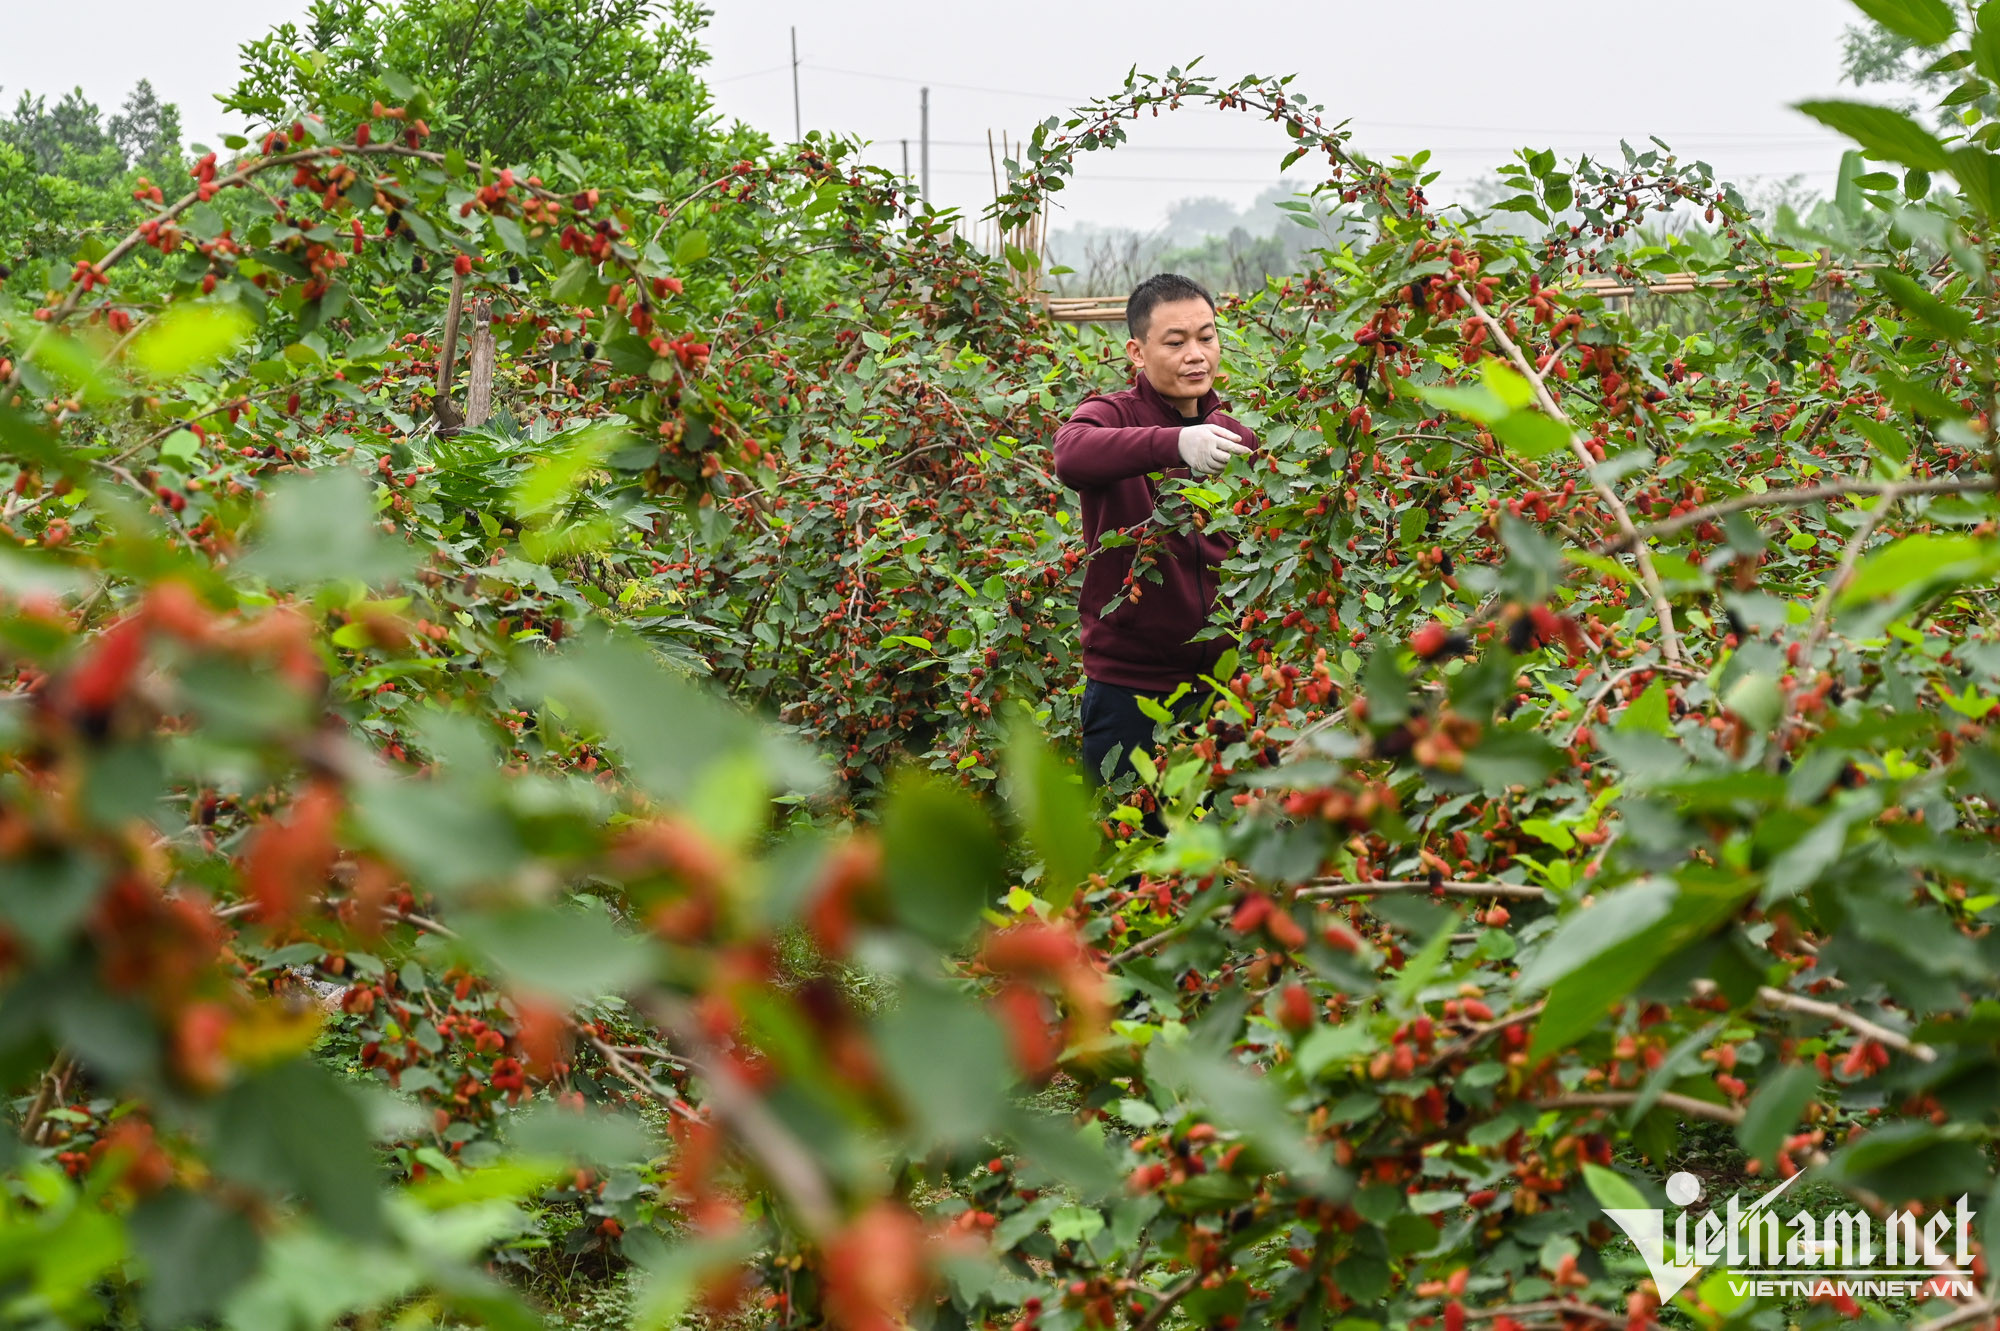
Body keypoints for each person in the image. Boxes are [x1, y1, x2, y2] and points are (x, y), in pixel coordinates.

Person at [1052, 273, 1260, 824]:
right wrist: (1175, 442)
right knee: (1130, 851)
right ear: (1137, 352)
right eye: (1175, 341)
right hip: (1130, 689)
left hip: (1224, 688)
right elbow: (1071, 454)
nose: (1196, 354)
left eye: (1206, 337)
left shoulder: (1234, 437)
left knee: (1228, 850)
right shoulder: (1112, 415)